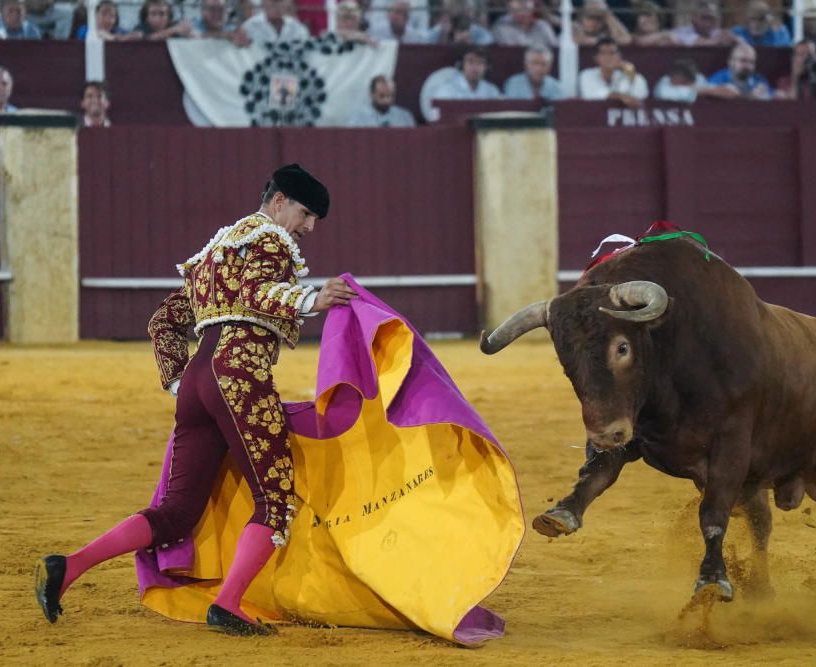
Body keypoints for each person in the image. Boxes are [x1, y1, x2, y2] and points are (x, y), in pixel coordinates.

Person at [35, 164, 359, 636]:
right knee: (275, 500)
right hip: (240, 380)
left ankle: (70, 565)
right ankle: (228, 604)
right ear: (277, 202)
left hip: (197, 385)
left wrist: (178, 382)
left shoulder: (215, 254)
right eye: (305, 213)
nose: (309, 228)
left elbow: (163, 320)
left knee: (176, 512)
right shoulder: (270, 240)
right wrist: (310, 300)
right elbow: (257, 291)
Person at [578, 37, 648, 107]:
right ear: (596, 58)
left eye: (612, 53)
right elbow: (595, 95)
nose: (608, 57)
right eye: (603, 53)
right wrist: (622, 97)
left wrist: (630, 71)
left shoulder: (625, 75)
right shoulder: (586, 75)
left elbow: (641, 94)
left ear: (620, 56)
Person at [707, 42, 772, 99]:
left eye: (752, 62)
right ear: (730, 62)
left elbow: (771, 96)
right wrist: (750, 97)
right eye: (743, 61)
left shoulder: (759, 79)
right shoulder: (718, 78)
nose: (748, 66)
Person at [433, 46, 502, 99]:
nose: (475, 67)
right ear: (462, 65)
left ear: (486, 67)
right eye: (470, 62)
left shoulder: (492, 90)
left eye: (480, 62)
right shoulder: (447, 90)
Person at [491, 0, 558, 47]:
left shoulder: (543, 27)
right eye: (518, 1)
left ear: (533, 5)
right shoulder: (501, 26)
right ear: (509, 5)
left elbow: (555, 52)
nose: (523, 4)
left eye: (527, 0)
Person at [670, 0, 738, 45]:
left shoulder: (718, 33)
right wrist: (718, 41)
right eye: (704, 18)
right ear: (693, 18)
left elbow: (742, 45)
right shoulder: (681, 32)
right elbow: (698, 42)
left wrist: (735, 40)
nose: (708, 23)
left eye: (711, 19)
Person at [241, 0, 310, 44]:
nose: (276, 6)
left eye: (280, 1)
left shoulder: (298, 28)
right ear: (262, 2)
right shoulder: (248, 27)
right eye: (272, 1)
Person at [427, 0, 494, 44]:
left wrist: (470, 42)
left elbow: (489, 40)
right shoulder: (441, 29)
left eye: (463, 9)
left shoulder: (475, 30)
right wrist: (444, 35)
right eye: (454, 8)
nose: (459, 12)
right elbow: (426, 41)